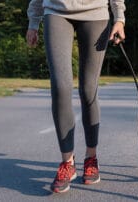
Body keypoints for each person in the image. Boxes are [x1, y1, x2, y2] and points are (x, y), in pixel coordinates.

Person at [26, 0, 125, 193]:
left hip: (96, 13)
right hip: (56, 11)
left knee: (89, 89)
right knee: (60, 87)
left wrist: (119, 17)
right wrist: (33, 21)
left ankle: (91, 158)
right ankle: (67, 162)